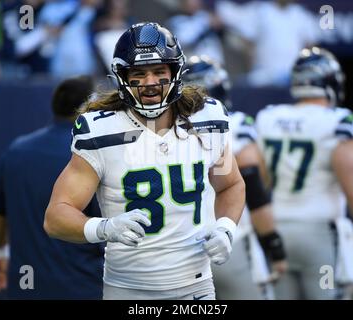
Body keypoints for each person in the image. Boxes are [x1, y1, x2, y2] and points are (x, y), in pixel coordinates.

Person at [44, 22, 245, 300]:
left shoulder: (207, 120)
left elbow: (231, 185)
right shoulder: (101, 131)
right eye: (139, 73)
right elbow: (55, 217)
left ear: (175, 72)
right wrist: (103, 228)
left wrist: (226, 228)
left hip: (196, 288)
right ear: (122, 77)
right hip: (128, 289)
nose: (150, 82)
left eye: (159, 71)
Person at [254, 46, 353, 299]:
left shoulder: (268, 117)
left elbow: (262, 180)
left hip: (277, 231)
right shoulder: (339, 121)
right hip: (319, 235)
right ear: (330, 82)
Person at [0, 76, 105, 299]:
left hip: (27, 285)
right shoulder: (93, 153)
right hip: (83, 286)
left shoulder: (16, 150)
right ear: (90, 106)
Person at [183, 55, 287, 300]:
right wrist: (273, 243)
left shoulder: (166, 127)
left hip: (181, 248)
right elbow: (251, 182)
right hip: (228, 239)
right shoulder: (235, 123)